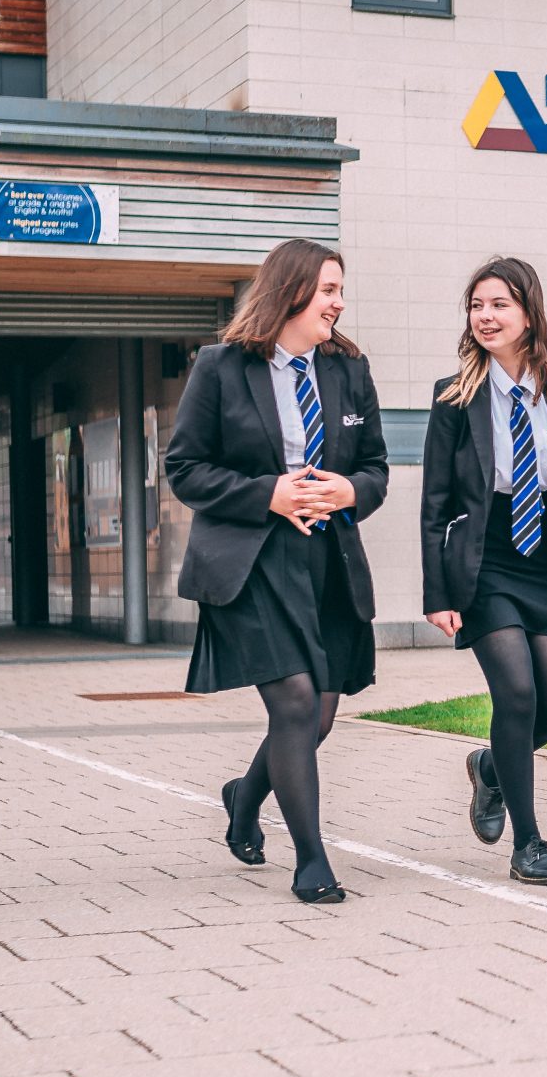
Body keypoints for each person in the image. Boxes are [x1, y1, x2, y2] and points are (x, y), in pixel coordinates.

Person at [165, 238, 387, 906]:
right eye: (328, 290)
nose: (338, 302)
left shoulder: (349, 369)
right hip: (254, 561)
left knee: (318, 717)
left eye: (340, 290)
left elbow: (375, 468)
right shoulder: (221, 367)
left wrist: (348, 490)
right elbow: (185, 468)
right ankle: (312, 861)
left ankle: (244, 798)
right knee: (294, 703)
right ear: (290, 291)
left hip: (328, 562)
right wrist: (270, 493)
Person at [419, 258, 547, 886]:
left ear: (529, 313)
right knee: (517, 694)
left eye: (499, 304)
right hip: (487, 562)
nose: (486, 316)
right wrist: (437, 591)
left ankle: (490, 769)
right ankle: (528, 844)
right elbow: (434, 503)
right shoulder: (454, 396)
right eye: (477, 305)